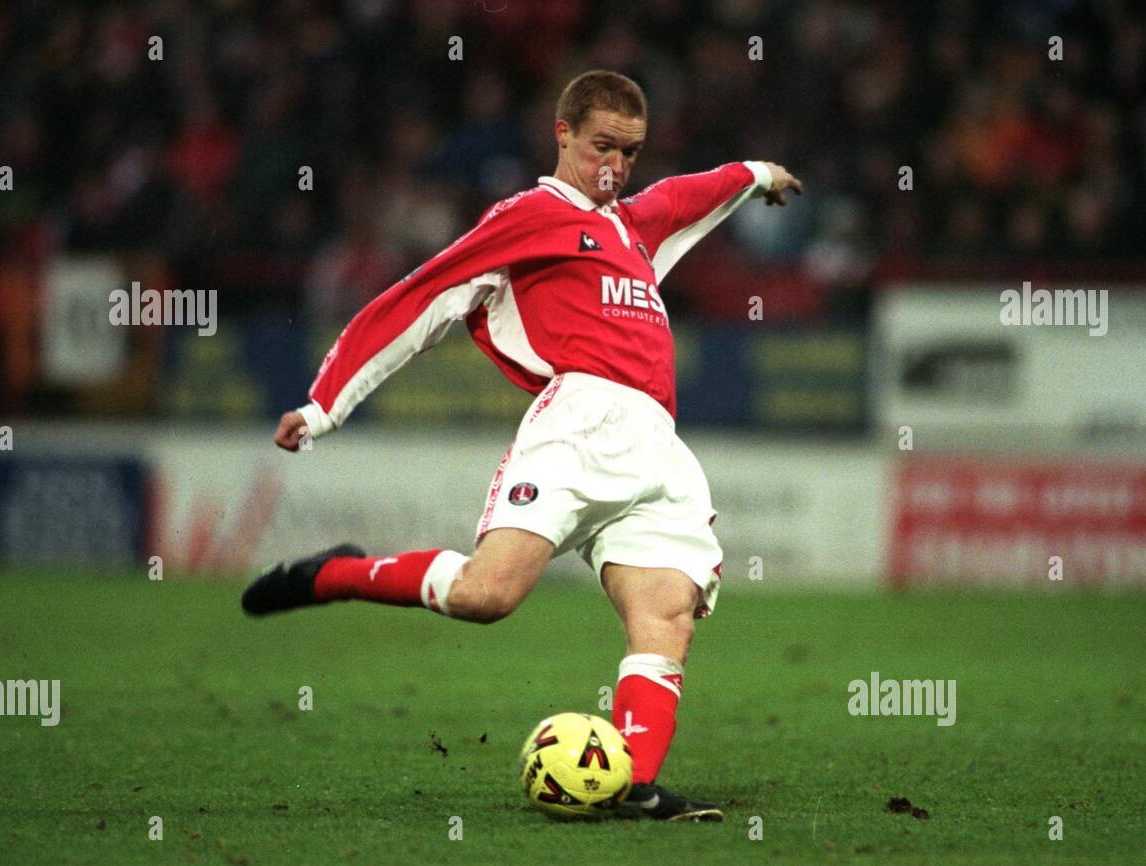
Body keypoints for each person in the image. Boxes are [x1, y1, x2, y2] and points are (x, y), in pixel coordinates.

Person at [243, 70, 802, 821]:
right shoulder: (532, 214)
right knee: (486, 595)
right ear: (563, 134)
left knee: (667, 615)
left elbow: (697, 190)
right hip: (576, 427)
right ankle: (335, 574)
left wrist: (760, 175)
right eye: (602, 145)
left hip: (657, 446)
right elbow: (421, 297)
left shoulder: (636, 229)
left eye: (630, 152)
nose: (616, 166)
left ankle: (633, 783)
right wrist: (323, 405)